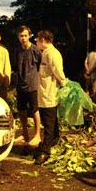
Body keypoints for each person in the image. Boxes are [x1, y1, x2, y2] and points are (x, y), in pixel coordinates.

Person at [34, 29, 68, 165]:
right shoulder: (46, 53)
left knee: (48, 123)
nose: (36, 42)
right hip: (44, 93)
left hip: (49, 94)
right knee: (51, 122)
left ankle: (45, 152)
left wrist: (64, 83)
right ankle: (54, 141)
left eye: (37, 40)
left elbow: (58, 71)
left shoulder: (52, 54)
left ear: (42, 40)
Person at [14, 25, 41, 148]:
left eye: (25, 35)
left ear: (29, 35)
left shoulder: (35, 50)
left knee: (34, 109)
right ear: (18, 37)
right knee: (22, 110)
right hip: (20, 84)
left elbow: (40, 65)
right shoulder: (17, 50)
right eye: (21, 36)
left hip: (32, 84)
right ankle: (25, 133)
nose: (23, 38)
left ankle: (38, 135)